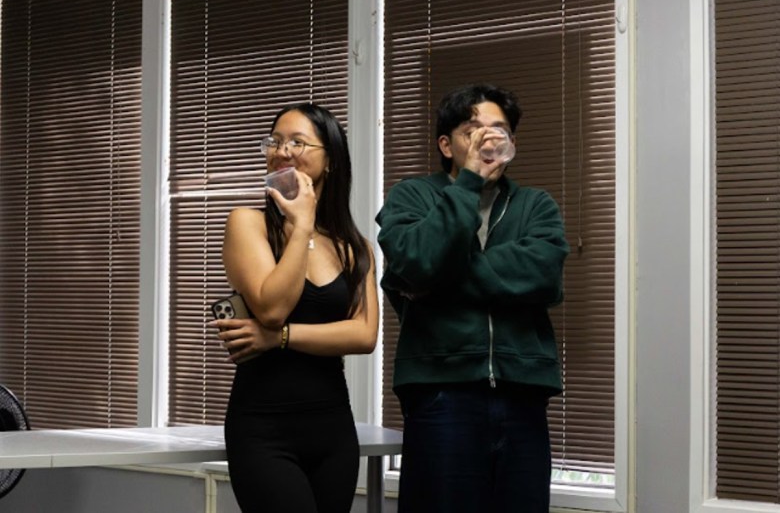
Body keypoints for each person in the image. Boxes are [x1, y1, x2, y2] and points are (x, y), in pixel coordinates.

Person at [375, 83, 569, 513]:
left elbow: (543, 277)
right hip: (441, 392)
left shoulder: (536, 205)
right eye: (473, 131)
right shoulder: (412, 197)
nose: (488, 140)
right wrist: (467, 184)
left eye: (499, 131)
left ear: (512, 143)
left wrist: (439, 278)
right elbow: (418, 260)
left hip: (522, 395)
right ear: (447, 145)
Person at [210, 102, 378, 513]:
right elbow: (271, 307)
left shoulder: (354, 247)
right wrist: (300, 223)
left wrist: (280, 338)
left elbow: (364, 334)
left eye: (297, 142)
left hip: (333, 428)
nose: (282, 150)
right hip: (263, 428)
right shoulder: (247, 224)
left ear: (331, 160)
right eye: (275, 141)